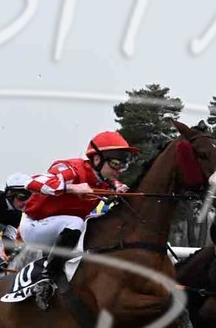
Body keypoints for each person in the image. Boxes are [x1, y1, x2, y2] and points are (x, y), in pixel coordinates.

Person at [20, 131, 135, 310]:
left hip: (62, 229)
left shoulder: (105, 181)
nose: (119, 170)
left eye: (123, 166)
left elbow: (115, 185)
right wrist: (71, 188)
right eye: (115, 164)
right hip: (35, 227)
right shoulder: (71, 169)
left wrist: (119, 189)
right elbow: (30, 182)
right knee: (75, 222)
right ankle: (46, 278)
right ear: (97, 159)